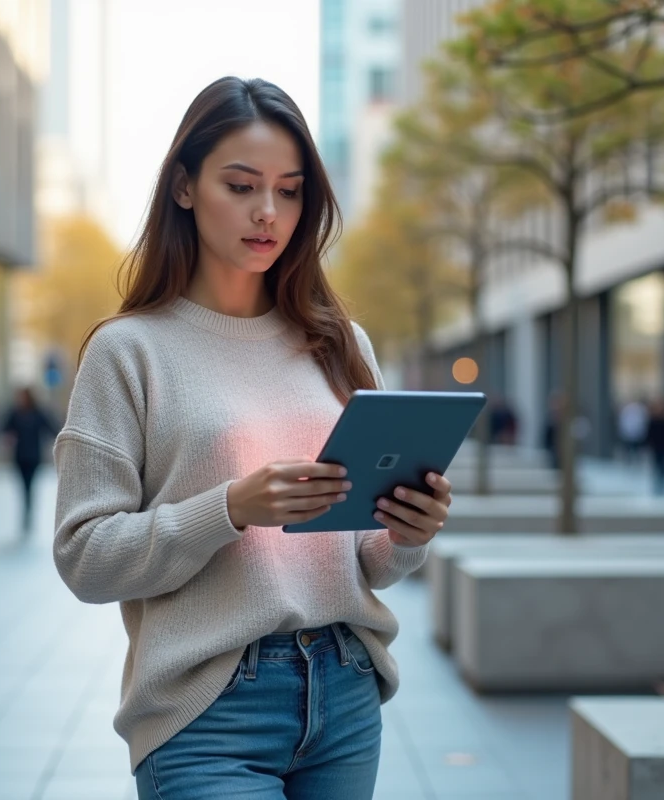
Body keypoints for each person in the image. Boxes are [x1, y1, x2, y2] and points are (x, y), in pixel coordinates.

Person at [52, 77, 452, 800]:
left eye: (291, 191)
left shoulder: (342, 344)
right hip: (208, 707)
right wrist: (230, 507)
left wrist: (408, 532)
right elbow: (85, 557)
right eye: (241, 186)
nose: (269, 212)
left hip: (345, 688)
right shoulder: (129, 351)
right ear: (183, 186)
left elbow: (371, 558)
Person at [0, 387, 58, 534]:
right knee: (23, 486)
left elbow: (51, 428)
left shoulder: (38, 413)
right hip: (19, 457)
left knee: (30, 485)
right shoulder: (15, 413)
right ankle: (26, 509)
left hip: (33, 457)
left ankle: (29, 510)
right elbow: (5, 429)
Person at [645, 398, 664, 496]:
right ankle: (657, 486)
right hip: (655, 447)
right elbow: (649, 434)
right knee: (656, 466)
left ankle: (663, 486)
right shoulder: (653, 420)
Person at [618, 397, 649, 464]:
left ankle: (633, 459)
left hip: (633, 433)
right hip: (631, 433)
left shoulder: (638, 409)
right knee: (631, 448)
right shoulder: (630, 409)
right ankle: (631, 459)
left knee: (634, 448)